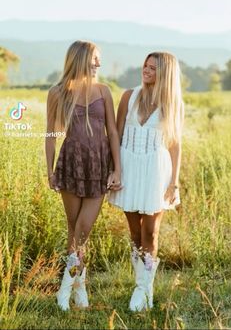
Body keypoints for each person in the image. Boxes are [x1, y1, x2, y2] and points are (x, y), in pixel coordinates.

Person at [45, 40, 121, 311]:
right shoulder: (57, 92)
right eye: (95, 59)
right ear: (80, 60)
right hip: (71, 163)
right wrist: (49, 170)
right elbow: (51, 133)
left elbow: (112, 131)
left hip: (99, 165)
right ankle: (79, 289)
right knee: (74, 229)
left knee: (82, 230)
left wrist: (117, 168)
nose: (99, 64)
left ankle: (65, 289)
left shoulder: (104, 91)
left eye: (99, 59)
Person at [109, 51, 184, 312]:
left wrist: (174, 182)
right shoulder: (129, 97)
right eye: (146, 65)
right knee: (134, 232)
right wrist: (114, 170)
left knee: (150, 232)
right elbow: (116, 136)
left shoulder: (173, 104)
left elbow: (175, 145)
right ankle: (143, 284)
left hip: (155, 171)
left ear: (165, 73)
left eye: (153, 68)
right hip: (129, 167)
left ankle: (143, 290)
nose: (147, 70)